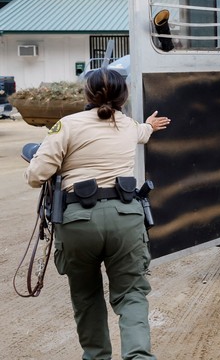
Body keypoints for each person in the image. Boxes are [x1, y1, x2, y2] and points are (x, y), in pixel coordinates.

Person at [24, 68, 170, 360]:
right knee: (131, 295)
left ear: (87, 95)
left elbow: (36, 176)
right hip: (126, 218)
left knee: (87, 298)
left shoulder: (66, 125)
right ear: (123, 96)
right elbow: (141, 133)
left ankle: (96, 356)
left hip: (79, 221)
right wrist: (150, 126)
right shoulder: (128, 125)